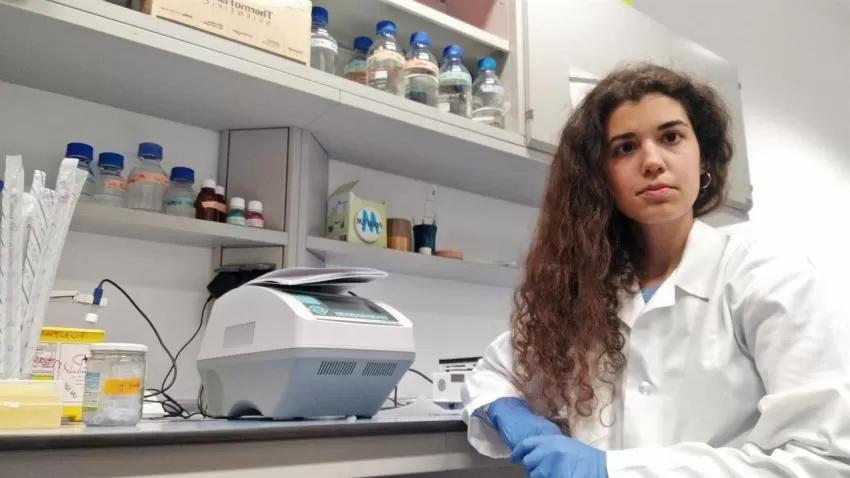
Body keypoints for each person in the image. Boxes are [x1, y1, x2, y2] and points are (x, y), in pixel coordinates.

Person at [461, 63, 850, 477]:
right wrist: (513, 414)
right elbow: (493, 372)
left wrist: (614, 471)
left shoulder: (766, 274)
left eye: (671, 137)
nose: (651, 161)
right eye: (625, 147)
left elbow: (825, 460)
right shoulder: (587, 288)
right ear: (600, 176)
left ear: (703, 156)